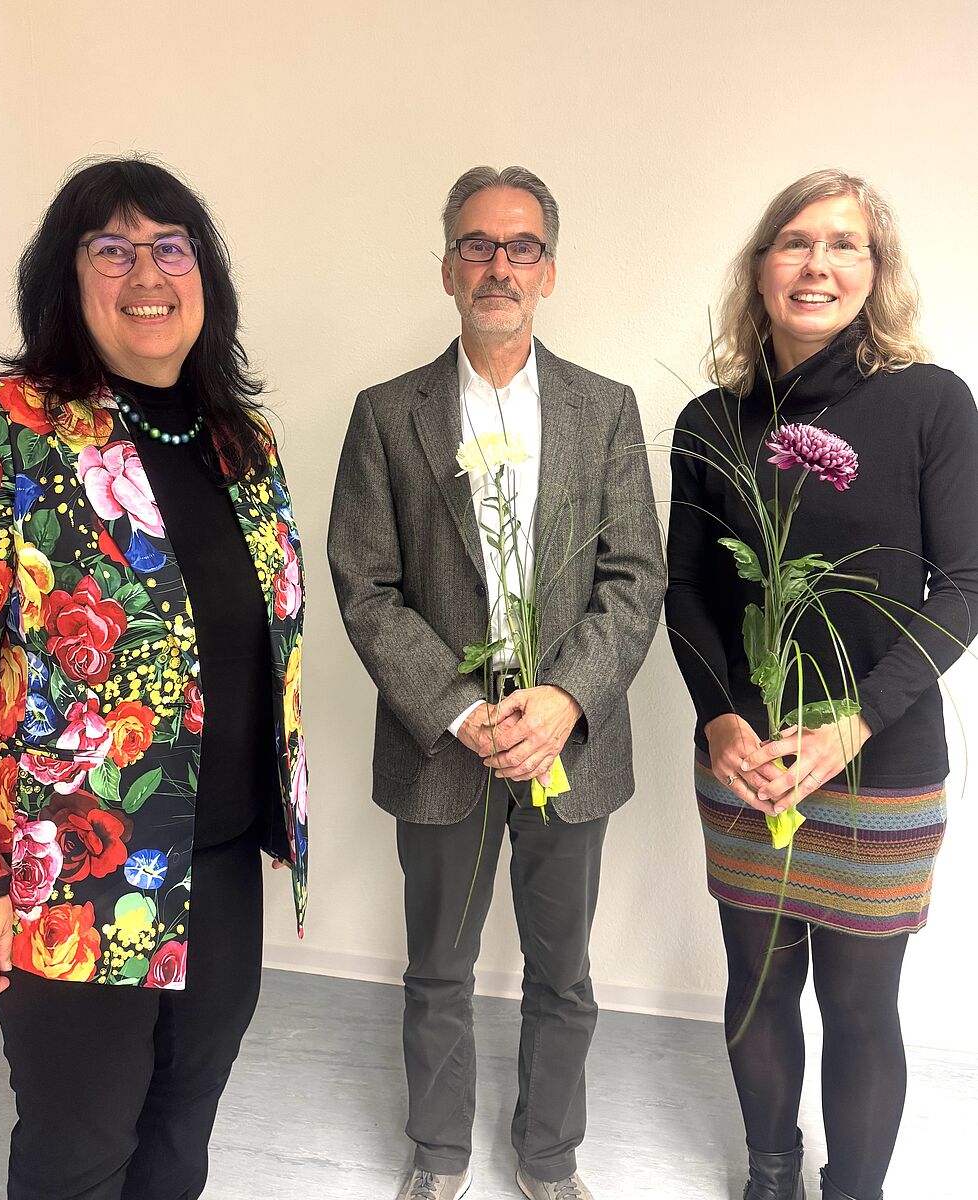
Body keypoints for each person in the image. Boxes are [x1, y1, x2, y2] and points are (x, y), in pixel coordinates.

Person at [328, 165, 663, 1200]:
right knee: (437, 968)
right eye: (477, 244)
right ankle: (438, 1155)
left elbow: (635, 578)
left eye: (521, 247)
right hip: (444, 743)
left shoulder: (605, 410)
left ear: (549, 272)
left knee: (564, 972)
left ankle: (550, 1156)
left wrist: (564, 701)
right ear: (447, 268)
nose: (498, 265)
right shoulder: (389, 414)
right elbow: (365, 585)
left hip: (569, 739)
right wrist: (461, 709)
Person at [0, 157, 308, 1200]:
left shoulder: (243, 441)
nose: (147, 274)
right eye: (111, 250)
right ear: (65, 278)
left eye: (171, 247)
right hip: (73, 875)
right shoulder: (7, 428)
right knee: (80, 1150)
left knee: (182, 1126)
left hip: (222, 860)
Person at [665, 168, 978, 1200]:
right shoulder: (711, 421)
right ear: (760, 268)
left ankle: (853, 1191)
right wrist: (719, 720)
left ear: (876, 271)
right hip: (747, 761)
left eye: (846, 244)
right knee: (758, 987)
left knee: (859, 1005)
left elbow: (964, 585)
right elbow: (686, 591)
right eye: (796, 241)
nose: (818, 263)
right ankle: (770, 1174)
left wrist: (854, 725)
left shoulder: (931, 402)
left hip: (880, 758)